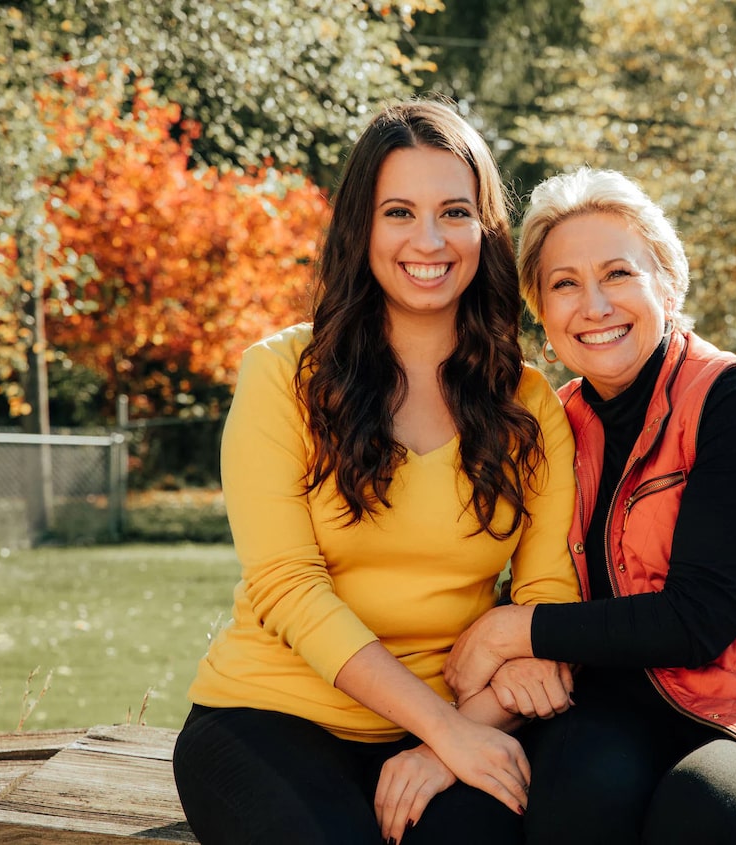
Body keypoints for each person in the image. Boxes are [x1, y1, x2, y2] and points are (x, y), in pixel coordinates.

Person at [445, 167, 736, 845]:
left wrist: (513, 632)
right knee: (564, 792)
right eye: (564, 283)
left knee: (700, 811)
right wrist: (515, 659)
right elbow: (539, 576)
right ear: (542, 315)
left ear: (666, 282)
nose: (595, 304)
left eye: (618, 274)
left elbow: (699, 619)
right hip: (634, 707)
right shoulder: (556, 422)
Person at [171, 100, 581, 845]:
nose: (428, 239)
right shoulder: (280, 376)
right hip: (269, 718)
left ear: (486, 230)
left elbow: (546, 602)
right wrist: (444, 730)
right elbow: (289, 588)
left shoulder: (529, 404)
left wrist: (450, 740)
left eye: (454, 211)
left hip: (455, 723)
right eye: (399, 211)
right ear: (360, 226)